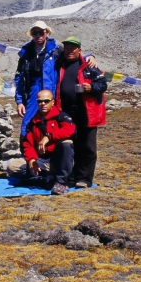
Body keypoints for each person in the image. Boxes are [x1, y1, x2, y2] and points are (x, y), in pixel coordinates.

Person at [14, 21, 96, 145]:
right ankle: (27, 155)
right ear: (32, 35)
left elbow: (73, 54)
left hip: (53, 93)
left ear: (47, 33)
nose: (38, 35)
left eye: (41, 32)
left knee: (52, 122)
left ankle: (51, 156)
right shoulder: (25, 54)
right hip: (33, 94)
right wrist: (20, 101)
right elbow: (19, 79)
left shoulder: (56, 51)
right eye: (35, 33)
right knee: (29, 122)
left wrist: (90, 56)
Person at [54, 36, 107, 188]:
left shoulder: (90, 66)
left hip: (86, 113)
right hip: (65, 113)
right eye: (67, 48)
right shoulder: (60, 64)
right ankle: (69, 178)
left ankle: (84, 178)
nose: (69, 51)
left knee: (88, 147)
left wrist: (92, 88)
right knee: (69, 145)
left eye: (73, 48)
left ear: (79, 50)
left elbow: (103, 84)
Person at [7, 89, 76, 195]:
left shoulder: (62, 117)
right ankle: (46, 176)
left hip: (57, 160)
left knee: (66, 143)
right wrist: (31, 160)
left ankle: (61, 181)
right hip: (42, 160)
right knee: (12, 167)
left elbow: (70, 130)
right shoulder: (33, 122)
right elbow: (27, 144)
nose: (43, 104)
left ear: (53, 102)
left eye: (46, 101)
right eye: (39, 101)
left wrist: (48, 137)